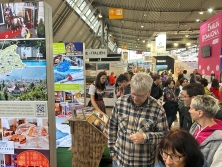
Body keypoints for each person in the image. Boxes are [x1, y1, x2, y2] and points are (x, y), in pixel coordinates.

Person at [108, 73, 169, 167]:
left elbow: (165, 136)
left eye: (140, 96)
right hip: (119, 160)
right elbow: (112, 128)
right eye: (133, 94)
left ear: (149, 92)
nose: (135, 98)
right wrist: (112, 153)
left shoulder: (158, 109)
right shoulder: (120, 103)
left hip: (143, 163)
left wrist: (145, 137)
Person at [189, 95, 222, 166]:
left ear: (200, 113)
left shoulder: (219, 138)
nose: (189, 111)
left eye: (191, 108)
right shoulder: (195, 126)